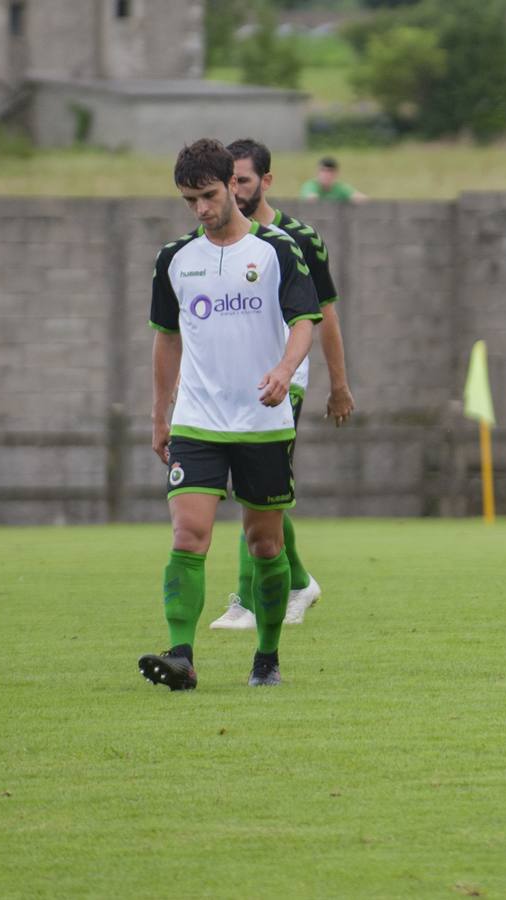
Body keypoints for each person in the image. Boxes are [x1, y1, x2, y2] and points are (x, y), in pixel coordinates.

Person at [139, 138, 322, 690]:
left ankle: (266, 658)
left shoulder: (276, 249)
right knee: (188, 535)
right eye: (189, 199)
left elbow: (306, 320)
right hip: (197, 420)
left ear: (232, 186)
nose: (201, 209)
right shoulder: (174, 259)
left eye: (209, 195)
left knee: (264, 544)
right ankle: (181, 656)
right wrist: (160, 414)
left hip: (262, 421)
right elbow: (166, 339)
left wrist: (285, 371)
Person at [206, 137, 356, 632]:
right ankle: (299, 581)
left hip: (284, 382)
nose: (232, 191)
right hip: (231, 385)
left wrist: (339, 384)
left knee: (256, 490)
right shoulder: (212, 242)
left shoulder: (297, 238)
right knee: (256, 491)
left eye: (242, 181)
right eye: (226, 181)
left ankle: (249, 602)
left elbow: (324, 315)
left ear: (265, 181)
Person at [298, 156, 366, 204]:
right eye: (323, 170)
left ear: (336, 173)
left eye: (330, 171)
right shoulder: (310, 185)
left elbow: (361, 198)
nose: (326, 174)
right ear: (317, 172)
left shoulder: (340, 187)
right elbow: (311, 200)